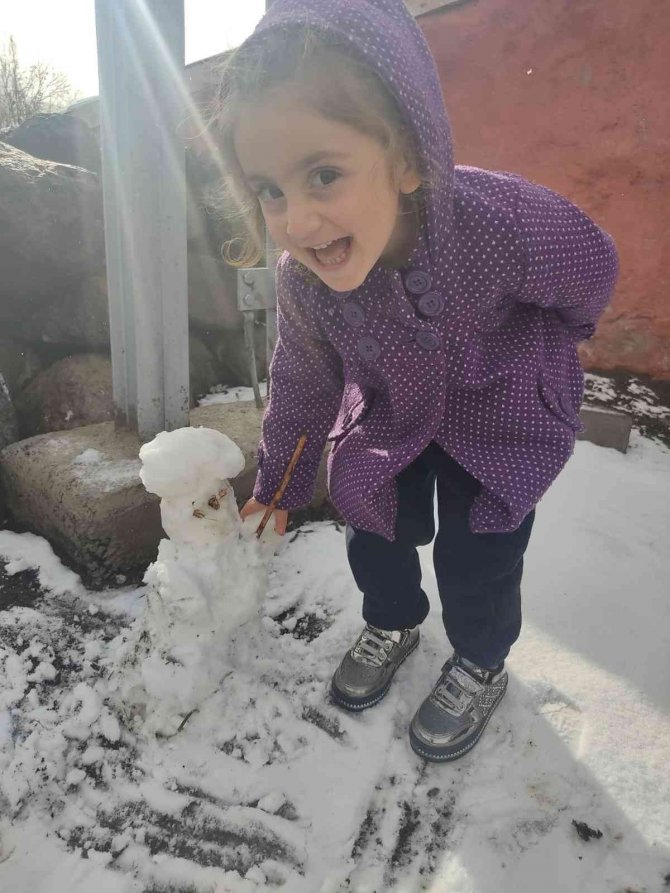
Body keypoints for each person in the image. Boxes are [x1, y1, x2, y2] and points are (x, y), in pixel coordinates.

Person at [214, 0, 618, 762]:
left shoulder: (494, 221)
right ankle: (393, 619)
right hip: (390, 418)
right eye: (270, 189)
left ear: (405, 155)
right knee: (374, 527)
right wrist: (281, 481)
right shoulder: (305, 280)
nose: (298, 221)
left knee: (481, 557)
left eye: (323, 175)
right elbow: (303, 380)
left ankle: (481, 659)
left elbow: (589, 264)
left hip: (495, 419)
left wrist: (558, 348)